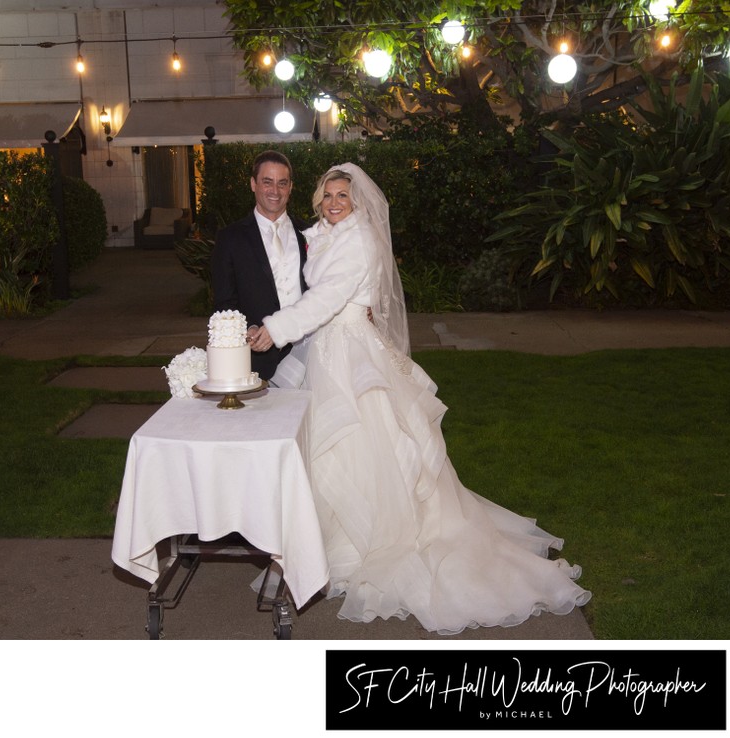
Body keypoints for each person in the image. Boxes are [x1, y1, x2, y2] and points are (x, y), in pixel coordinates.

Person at [250, 163, 591, 634]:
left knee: (360, 441)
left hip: (347, 351)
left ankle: (369, 543)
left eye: (342, 196)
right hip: (329, 347)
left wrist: (275, 328)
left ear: (358, 202)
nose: (333, 202)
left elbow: (328, 297)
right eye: (327, 194)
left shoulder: (359, 240)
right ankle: (329, 542)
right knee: (340, 448)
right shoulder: (330, 233)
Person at [211, 150, 308, 382]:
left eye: (282, 183)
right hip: (259, 358)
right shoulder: (230, 238)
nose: (275, 191)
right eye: (267, 182)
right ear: (253, 184)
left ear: (290, 187)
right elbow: (224, 303)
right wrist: (249, 329)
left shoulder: (309, 233)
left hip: (309, 352)